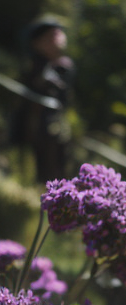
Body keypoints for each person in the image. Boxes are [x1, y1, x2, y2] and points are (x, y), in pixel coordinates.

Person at [10, 16, 75, 183]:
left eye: (58, 33)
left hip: (57, 132)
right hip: (38, 132)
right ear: (37, 43)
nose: (58, 37)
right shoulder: (34, 66)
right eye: (51, 35)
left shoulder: (63, 66)